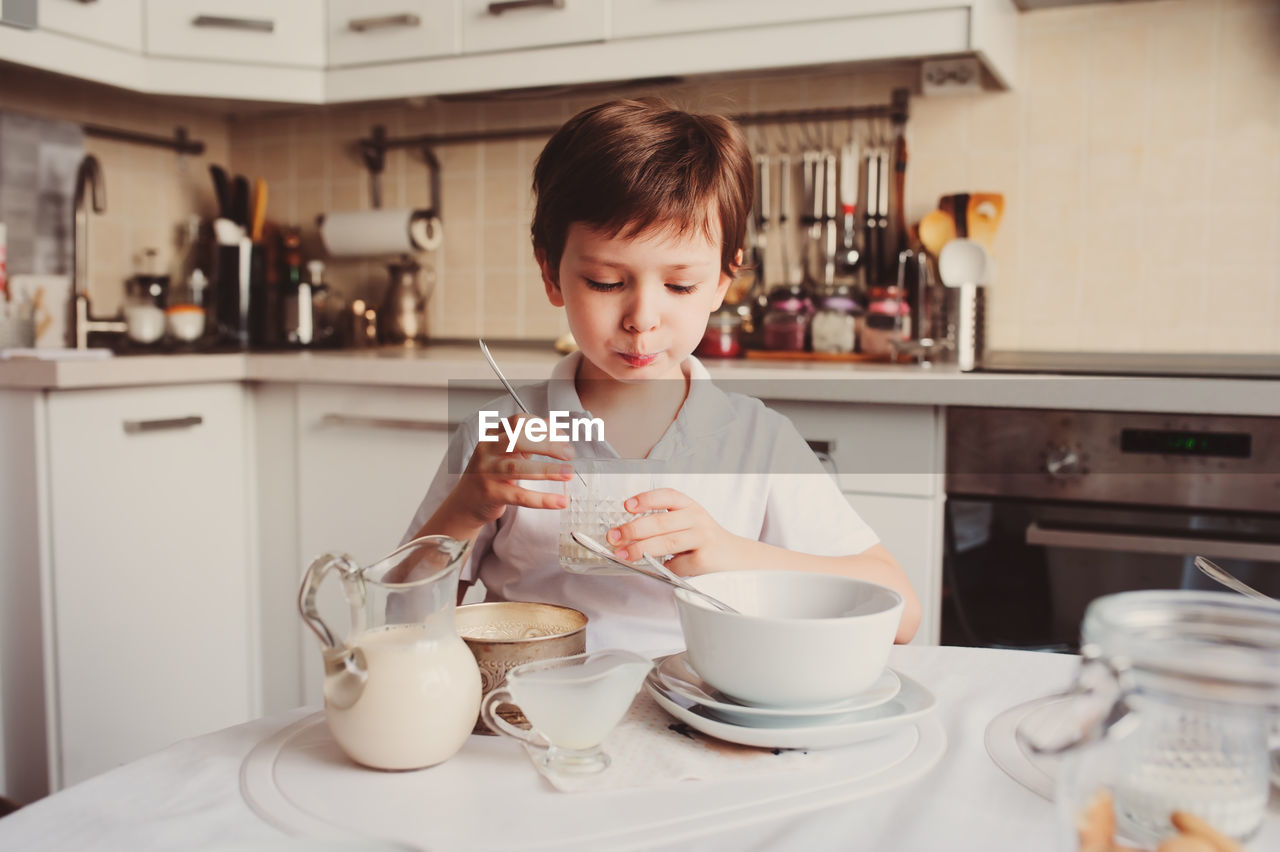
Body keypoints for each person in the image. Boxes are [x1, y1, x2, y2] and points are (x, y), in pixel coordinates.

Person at [403, 97, 921, 651]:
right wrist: (465, 509)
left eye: (679, 286)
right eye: (605, 281)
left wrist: (733, 555)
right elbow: (400, 620)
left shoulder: (755, 442)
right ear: (551, 271)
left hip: (702, 723)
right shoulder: (501, 440)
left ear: (725, 279)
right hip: (531, 715)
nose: (642, 320)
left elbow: (903, 613)